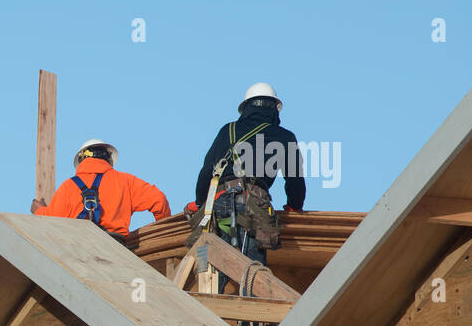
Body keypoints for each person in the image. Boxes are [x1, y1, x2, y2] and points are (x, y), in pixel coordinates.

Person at [189, 82, 306, 267]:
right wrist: (294, 206)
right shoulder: (284, 136)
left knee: (215, 264)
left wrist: (199, 202)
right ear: (276, 109)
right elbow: (295, 180)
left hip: (218, 201)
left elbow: (207, 171)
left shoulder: (228, 130)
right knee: (252, 268)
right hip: (255, 204)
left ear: (245, 109)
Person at [31, 138, 170, 241]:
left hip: (78, 253)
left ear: (81, 162)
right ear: (108, 159)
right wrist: (163, 235)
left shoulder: (68, 187)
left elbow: (52, 220)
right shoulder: (126, 181)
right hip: (117, 249)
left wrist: (39, 210)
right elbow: (159, 200)